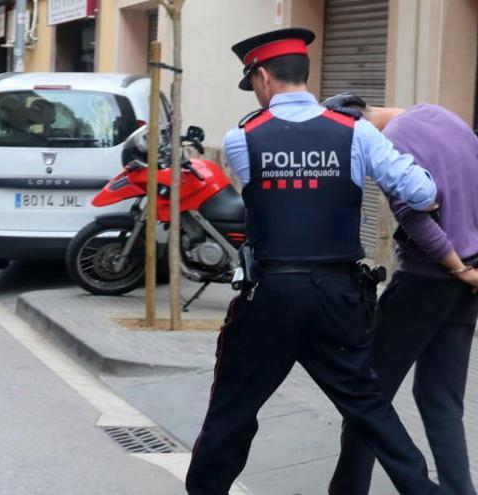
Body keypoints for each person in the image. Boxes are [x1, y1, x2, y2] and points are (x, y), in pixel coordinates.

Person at [184, 28, 441, 494]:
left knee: (233, 410)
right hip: (339, 299)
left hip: (271, 297)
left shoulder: (242, 139)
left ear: (262, 75)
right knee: (369, 409)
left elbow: (261, 192)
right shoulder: (356, 131)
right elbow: (423, 193)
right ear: (307, 73)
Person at [322, 94, 478, 494]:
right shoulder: (442, 114)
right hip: (467, 282)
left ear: (356, 126)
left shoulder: (388, 143)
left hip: (428, 280)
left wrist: (455, 265)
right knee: (440, 399)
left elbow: (415, 217)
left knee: (367, 396)